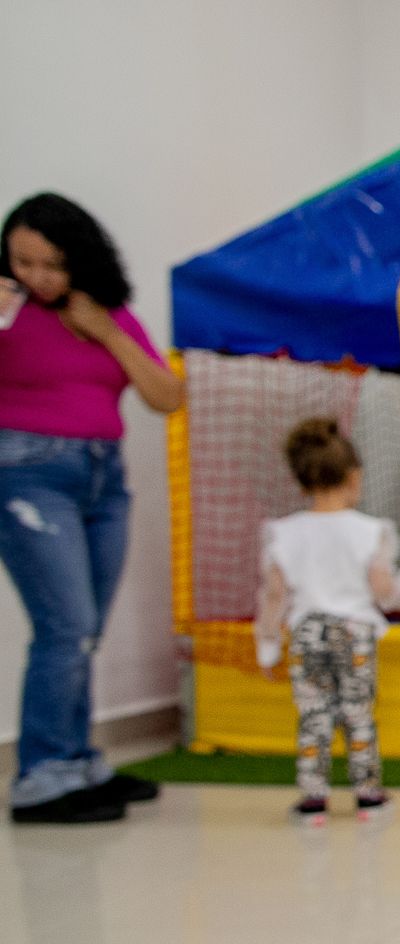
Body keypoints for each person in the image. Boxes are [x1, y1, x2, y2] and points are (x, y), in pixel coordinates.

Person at [0, 193, 183, 823]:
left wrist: (104, 331)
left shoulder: (105, 312)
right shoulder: (5, 306)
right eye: (22, 261)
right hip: (27, 478)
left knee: (83, 630)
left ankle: (76, 763)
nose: (35, 277)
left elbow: (166, 395)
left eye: (50, 264)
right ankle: (41, 779)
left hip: (104, 482)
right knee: (66, 626)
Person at [254, 418, 400, 821]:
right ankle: (368, 796)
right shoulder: (370, 531)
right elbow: (383, 590)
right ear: (353, 476)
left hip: (307, 632)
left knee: (313, 713)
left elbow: (275, 595)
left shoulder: (283, 533)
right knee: (358, 712)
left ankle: (313, 800)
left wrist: (268, 645)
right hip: (354, 631)